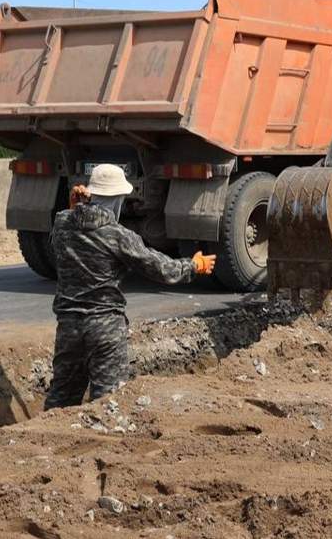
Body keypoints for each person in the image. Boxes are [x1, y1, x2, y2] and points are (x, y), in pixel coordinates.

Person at [43, 163, 216, 410]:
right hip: (105, 330)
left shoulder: (62, 222)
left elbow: (70, 222)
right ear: (118, 199)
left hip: (68, 328)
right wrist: (194, 266)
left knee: (61, 399)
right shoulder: (118, 235)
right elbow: (160, 268)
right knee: (108, 403)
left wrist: (74, 207)